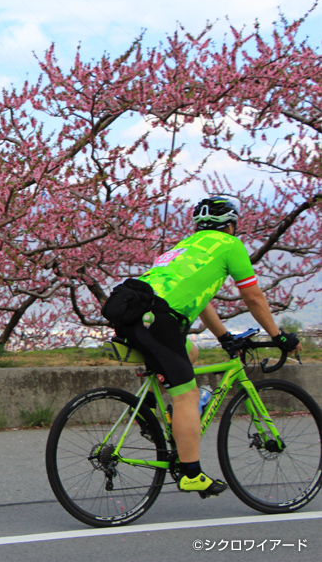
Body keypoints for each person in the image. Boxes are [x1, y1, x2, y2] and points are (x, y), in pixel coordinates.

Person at [106, 195, 301, 498]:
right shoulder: (229, 245)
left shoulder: (185, 247)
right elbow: (253, 298)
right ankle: (192, 474)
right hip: (157, 318)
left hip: (130, 309)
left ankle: (155, 414)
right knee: (187, 394)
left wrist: (224, 337)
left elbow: (202, 300)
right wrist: (279, 336)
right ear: (231, 225)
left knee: (190, 352)